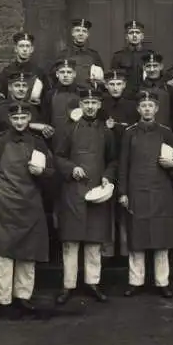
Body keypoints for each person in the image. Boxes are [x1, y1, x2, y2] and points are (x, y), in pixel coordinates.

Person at [0, 103, 54, 317]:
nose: (20, 122)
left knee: (28, 252)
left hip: (30, 202)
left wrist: (42, 171)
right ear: (10, 119)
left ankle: (23, 296)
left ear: (29, 119)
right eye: (16, 118)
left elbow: (51, 171)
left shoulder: (38, 142)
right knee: (3, 252)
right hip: (5, 202)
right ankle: (0, 298)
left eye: (24, 118)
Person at [118, 91, 173, 298]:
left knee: (160, 237)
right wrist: (122, 192)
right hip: (136, 190)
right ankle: (135, 281)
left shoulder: (166, 132)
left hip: (160, 191)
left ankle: (162, 281)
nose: (147, 109)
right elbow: (123, 165)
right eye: (143, 105)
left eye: (151, 105)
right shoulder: (129, 133)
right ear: (138, 109)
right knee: (137, 237)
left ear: (156, 109)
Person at [54, 87, 117, 305]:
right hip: (73, 191)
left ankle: (93, 282)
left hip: (97, 191)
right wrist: (71, 168)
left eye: (94, 103)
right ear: (80, 105)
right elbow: (58, 157)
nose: (90, 107)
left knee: (93, 241)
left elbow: (112, 160)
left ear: (99, 105)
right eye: (86, 103)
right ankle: (68, 285)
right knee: (71, 241)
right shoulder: (68, 129)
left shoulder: (106, 131)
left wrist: (108, 177)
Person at [99, 69, 139, 257]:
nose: (115, 88)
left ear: (124, 85)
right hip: (105, 158)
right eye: (111, 84)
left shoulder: (132, 107)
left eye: (119, 84)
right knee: (105, 204)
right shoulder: (100, 105)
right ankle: (107, 250)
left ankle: (125, 249)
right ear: (106, 86)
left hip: (127, 158)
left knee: (125, 203)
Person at [0, 71, 54, 141]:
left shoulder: (34, 109)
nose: (21, 89)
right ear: (10, 87)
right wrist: (32, 125)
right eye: (17, 85)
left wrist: (47, 132)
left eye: (24, 86)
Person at [0, 30, 50, 115]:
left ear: (32, 49)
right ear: (16, 49)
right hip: (12, 116)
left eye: (27, 46)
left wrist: (40, 103)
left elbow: (47, 97)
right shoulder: (7, 71)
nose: (25, 49)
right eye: (21, 46)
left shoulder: (39, 72)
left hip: (32, 115)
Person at [53, 19, 104, 88]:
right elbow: (55, 77)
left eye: (84, 31)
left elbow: (100, 78)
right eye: (77, 30)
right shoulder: (63, 54)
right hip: (70, 93)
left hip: (88, 95)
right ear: (72, 33)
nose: (81, 34)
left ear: (88, 34)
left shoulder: (94, 55)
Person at [111, 20, 153, 99]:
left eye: (137, 32)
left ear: (142, 36)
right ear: (126, 37)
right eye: (131, 33)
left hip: (145, 96)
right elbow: (114, 79)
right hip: (125, 97)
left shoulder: (150, 55)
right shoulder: (118, 56)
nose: (134, 35)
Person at [140, 51, 171, 128]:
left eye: (155, 65)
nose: (152, 69)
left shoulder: (168, 88)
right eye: (148, 66)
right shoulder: (138, 88)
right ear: (143, 67)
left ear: (161, 67)